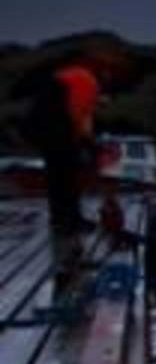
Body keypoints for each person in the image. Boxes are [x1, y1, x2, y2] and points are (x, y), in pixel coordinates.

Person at [17, 55, 106, 233]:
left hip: (39, 125)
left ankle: (60, 218)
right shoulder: (89, 84)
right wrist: (89, 146)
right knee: (66, 174)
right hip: (52, 127)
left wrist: (86, 144)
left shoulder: (74, 77)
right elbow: (77, 117)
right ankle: (70, 221)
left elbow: (79, 119)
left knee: (57, 174)